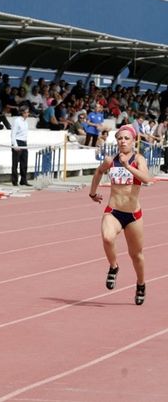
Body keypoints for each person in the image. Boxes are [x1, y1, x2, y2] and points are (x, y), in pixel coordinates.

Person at [88, 124, 151, 305]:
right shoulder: (111, 160)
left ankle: (140, 284)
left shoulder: (138, 160)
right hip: (113, 211)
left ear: (133, 141)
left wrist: (127, 166)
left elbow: (147, 179)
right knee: (107, 238)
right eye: (120, 139)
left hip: (133, 215)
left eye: (126, 138)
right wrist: (92, 193)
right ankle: (114, 267)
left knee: (136, 255)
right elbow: (99, 172)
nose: (123, 141)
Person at [11, 105, 31, 186]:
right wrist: (15, 144)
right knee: (15, 163)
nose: (28, 114)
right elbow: (13, 134)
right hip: (17, 141)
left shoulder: (26, 122)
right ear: (22, 112)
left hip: (24, 143)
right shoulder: (17, 121)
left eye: (28, 112)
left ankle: (23, 180)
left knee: (24, 162)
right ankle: (14, 181)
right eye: (26, 112)